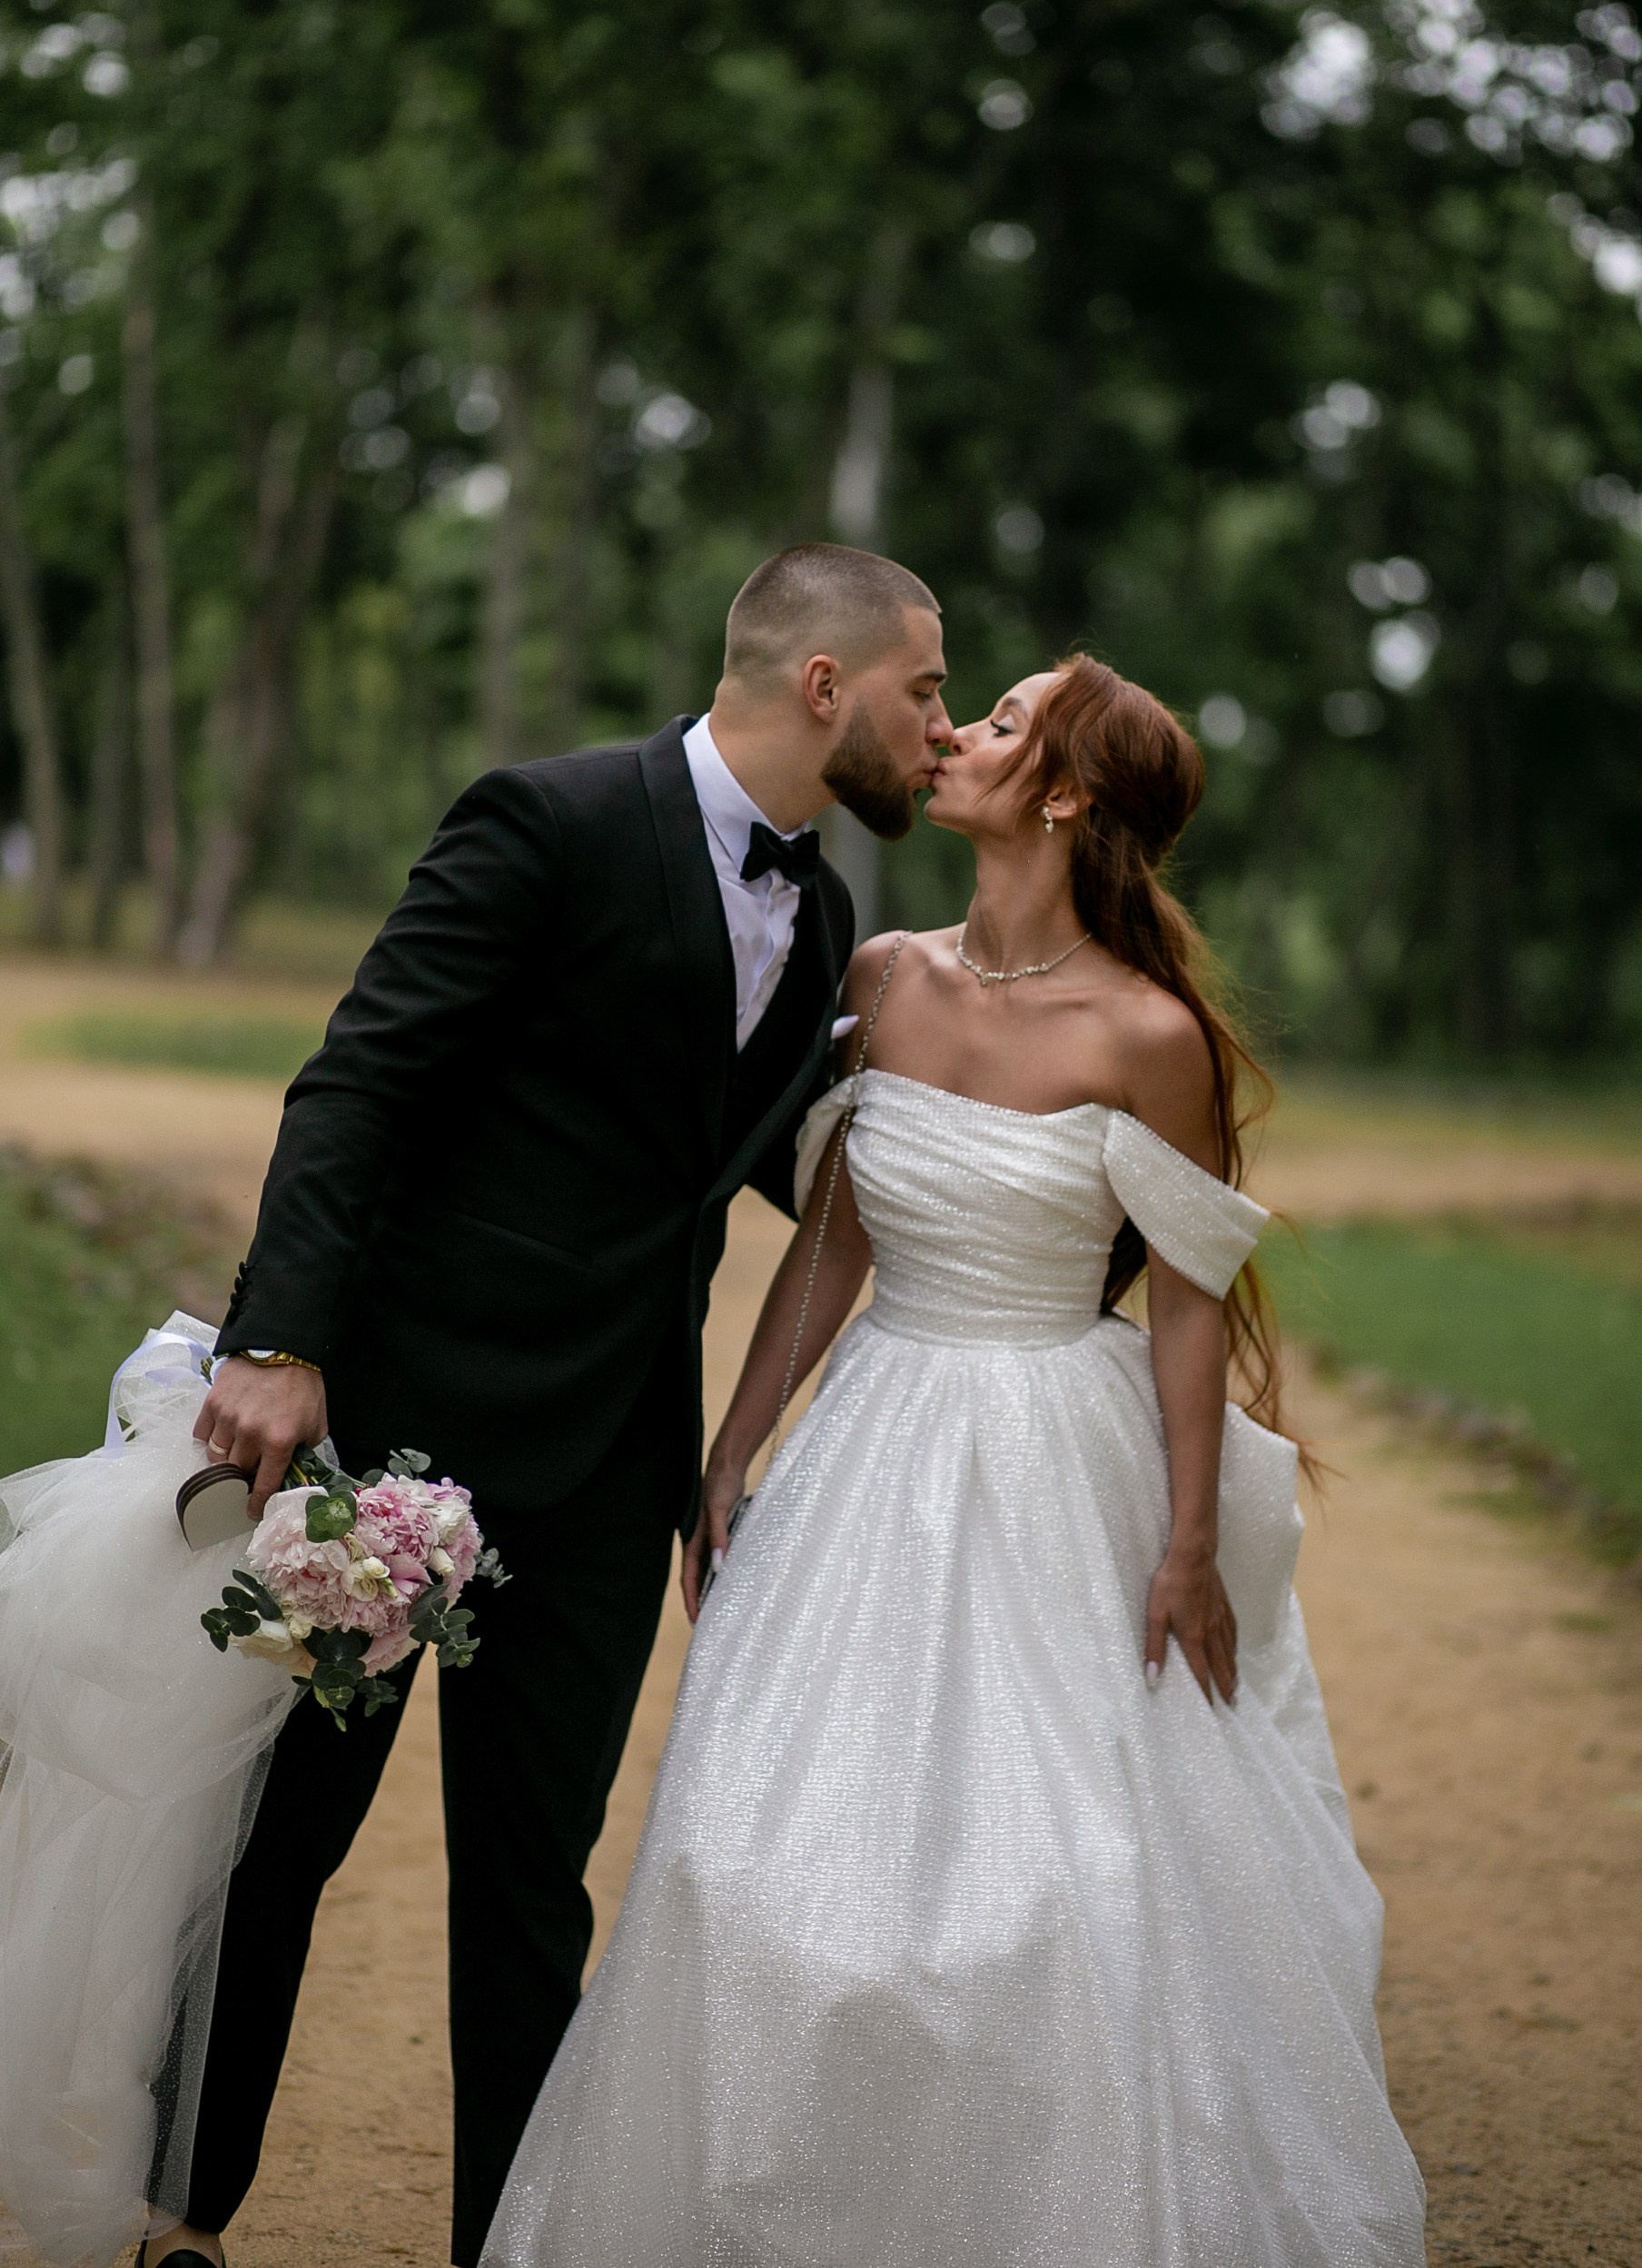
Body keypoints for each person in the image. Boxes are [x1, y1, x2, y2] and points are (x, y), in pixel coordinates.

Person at [482, 656, 1428, 2268]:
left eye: (995, 721)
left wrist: (1188, 1541)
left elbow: (1192, 1307)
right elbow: (834, 1242)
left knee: (1055, 1875)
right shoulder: (889, 977)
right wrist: (736, 1444)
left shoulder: (1149, 1035)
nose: (953, 737)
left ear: (1061, 793)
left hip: (1054, 1453)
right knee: (746, 1842)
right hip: (873, 1447)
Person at [155, 543, 951, 2268]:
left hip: (611, 1473)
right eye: (927, 688)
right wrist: (280, 1334)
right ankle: (176, 2216)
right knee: (281, 1844)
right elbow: (363, 1070)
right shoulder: (548, 817)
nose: (940, 728)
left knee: (532, 1901)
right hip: (399, 1445)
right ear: (828, 686)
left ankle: (508, 2249)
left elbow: (736, 1167)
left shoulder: (823, 918)